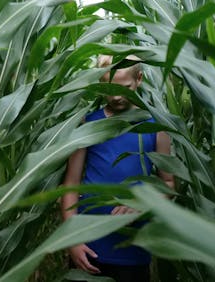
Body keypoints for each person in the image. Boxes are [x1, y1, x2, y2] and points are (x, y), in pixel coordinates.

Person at [61, 55, 174, 282]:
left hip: (132, 251)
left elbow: (169, 184)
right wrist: (72, 241)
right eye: (109, 87)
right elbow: (70, 185)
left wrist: (144, 204)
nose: (115, 96)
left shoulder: (156, 126)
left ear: (139, 79)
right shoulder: (89, 124)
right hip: (88, 246)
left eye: (125, 88)